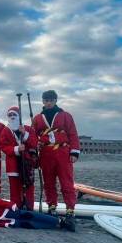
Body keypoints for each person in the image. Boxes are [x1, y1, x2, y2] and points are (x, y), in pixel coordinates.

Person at [31, 90, 81, 231]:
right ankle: (52, 207)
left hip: (63, 152)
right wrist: (34, 151)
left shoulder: (66, 116)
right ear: (43, 101)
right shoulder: (37, 118)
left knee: (66, 182)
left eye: (51, 100)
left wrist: (74, 152)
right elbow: (34, 137)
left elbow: (73, 134)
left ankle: (70, 211)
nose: (48, 102)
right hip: (46, 153)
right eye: (46, 100)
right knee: (49, 182)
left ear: (55, 100)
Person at [0, 106, 39, 211]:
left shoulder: (28, 129)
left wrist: (25, 134)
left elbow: (34, 143)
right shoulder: (5, 131)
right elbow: (3, 146)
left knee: (29, 187)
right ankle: (16, 208)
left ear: (19, 116)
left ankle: (29, 208)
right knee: (15, 188)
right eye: (10, 115)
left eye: (14, 115)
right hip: (13, 165)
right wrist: (16, 149)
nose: (12, 117)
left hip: (27, 164)